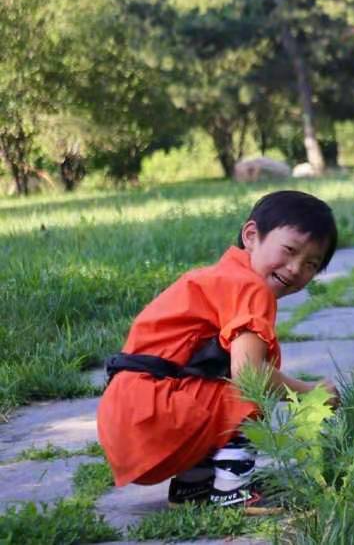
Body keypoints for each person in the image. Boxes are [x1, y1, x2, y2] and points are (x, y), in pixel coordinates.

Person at [97, 191, 340, 511]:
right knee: (249, 385)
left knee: (225, 375)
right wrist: (310, 392)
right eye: (290, 250)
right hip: (153, 418)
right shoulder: (250, 287)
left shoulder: (222, 277)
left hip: (129, 418)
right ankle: (232, 488)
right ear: (251, 235)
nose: (296, 269)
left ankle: (194, 484)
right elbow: (250, 375)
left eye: (311, 264)